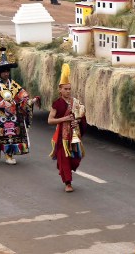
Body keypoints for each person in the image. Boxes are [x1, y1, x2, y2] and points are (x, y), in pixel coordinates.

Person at [0, 41, 33, 165]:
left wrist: (27, 100)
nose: (6, 73)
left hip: (12, 117)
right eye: (4, 71)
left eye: (7, 71)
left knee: (11, 135)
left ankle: (9, 155)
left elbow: (22, 94)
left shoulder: (13, 84)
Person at [48, 64, 86, 193]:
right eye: (66, 89)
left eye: (70, 89)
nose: (68, 91)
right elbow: (50, 120)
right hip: (62, 137)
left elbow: (82, 117)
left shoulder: (76, 102)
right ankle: (68, 183)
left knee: (75, 159)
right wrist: (64, 119)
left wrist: (77, 122)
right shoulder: (57, 104)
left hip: (74, 136)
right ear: (60, 90)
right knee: (64, 158)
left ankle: (68, 172)